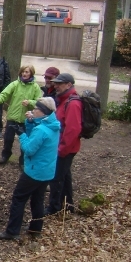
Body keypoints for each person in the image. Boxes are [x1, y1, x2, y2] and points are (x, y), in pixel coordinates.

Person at [0, 97, 60, 240]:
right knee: (37, 200)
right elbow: (36, 136)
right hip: (46, 171)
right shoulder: (53, 125)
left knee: (19, 199)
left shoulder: (42, 130)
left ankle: (12, 231)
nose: (33, 110)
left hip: (34, 171)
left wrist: (21, 135)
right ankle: (35, 230)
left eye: (36, 109)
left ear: (43, 112)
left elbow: (29, 149)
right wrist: (30, 122)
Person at [0, 65, 41, 167]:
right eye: (23, 72)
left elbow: (39, 102)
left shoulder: (35, 87)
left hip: (26, 119)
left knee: (25, 141)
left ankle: (23, 160)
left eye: (27, 72)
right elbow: (4, 95)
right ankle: (5, 155)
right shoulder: (15, 84)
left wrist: (30, 102)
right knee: (8, 138)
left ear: (31, 73)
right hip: (12, 117)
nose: (25, 74)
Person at [45, 73, 82, 216]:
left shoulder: (72, 103)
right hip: (63, 146)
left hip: (65, 148)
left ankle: (54, 207)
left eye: (59, 84)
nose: (56, 86)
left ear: (69, 85)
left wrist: (61, 150)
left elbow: (73, 130)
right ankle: (68, 205)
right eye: (55, 83)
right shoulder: (64, 100)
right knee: (65, 176)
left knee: (56, 177)